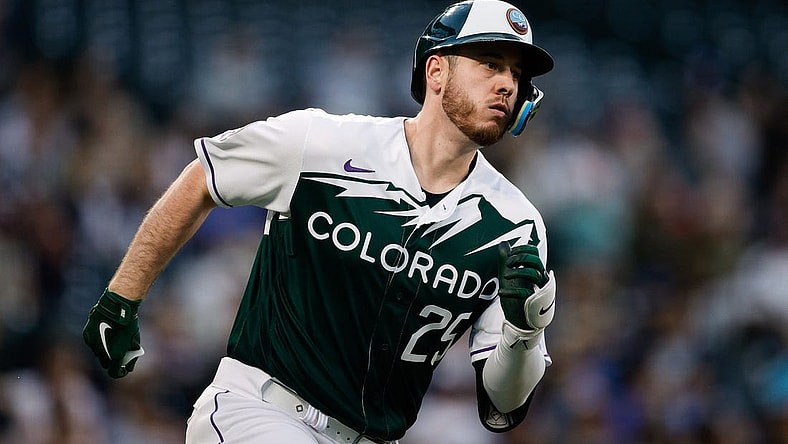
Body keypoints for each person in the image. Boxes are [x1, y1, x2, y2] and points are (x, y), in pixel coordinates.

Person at [82, 1, 557, 442]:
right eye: (490, 64)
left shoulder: (515, 225)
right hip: (260, 411)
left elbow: (502, 407)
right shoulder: (324, 143)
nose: (507, 84)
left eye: (517, 74)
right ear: (437, 70)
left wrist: (522, 332)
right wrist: (121, 298)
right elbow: (204, 178)